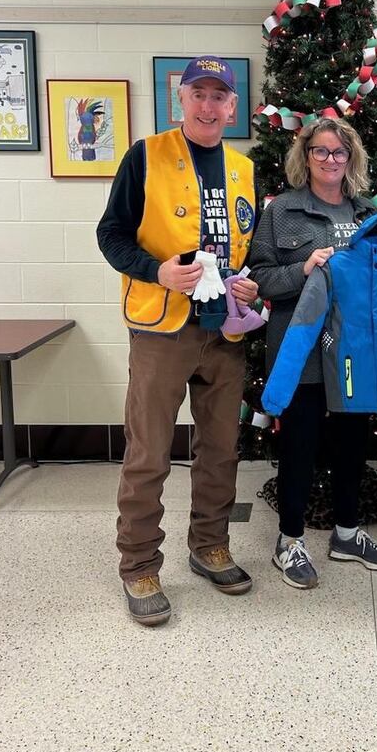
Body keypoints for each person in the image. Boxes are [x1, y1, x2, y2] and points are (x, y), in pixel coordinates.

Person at [97, 55, 258, 626]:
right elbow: (110, 234)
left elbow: (245, 241)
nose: (209, 105)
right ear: (181, 101)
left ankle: (209, 545)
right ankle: (138, 563)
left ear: (232, 106)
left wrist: (246, 279)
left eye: (220, 95)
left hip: (226, 330)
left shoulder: (242, 167)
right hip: (162, 327)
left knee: (220, 448)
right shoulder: (145, 156)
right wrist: (157, 271)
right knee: (148, 451)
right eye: (199, 94)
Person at [247, 117, 377, 590]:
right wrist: (302, 268)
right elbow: (259, 281)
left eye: (339, 153)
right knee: (301, 446)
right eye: (320, 152)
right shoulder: (281, 212)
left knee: (352, 444)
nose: (330, 160)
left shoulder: (368, 215)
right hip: (302, 352)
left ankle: (347, 534)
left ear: (351, 159)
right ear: (305, 156)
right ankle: (289, 540)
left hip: (355, 354)